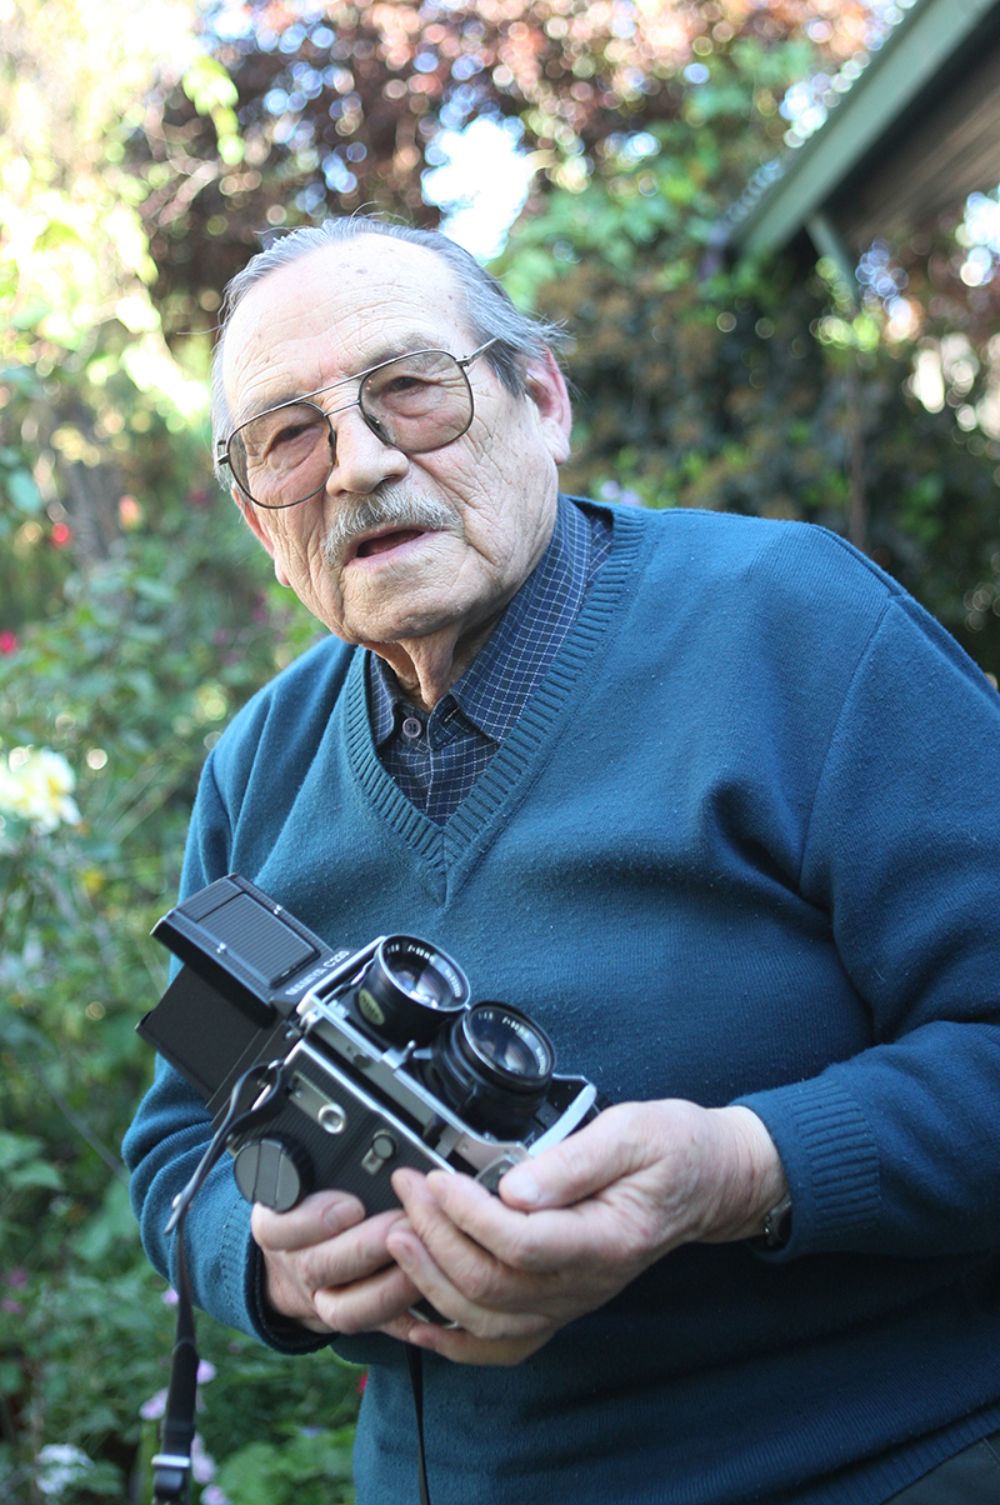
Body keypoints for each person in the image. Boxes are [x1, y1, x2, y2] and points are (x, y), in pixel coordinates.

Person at [124, 215, 1000, 1505]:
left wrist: (742, 1170)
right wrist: (266, 1265)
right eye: (287, 438)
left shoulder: (798, 625)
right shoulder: (257, 770)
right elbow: (173, 1146)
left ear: (542, 400)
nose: (357, 466)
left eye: (410, 390)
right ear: (263, 519)